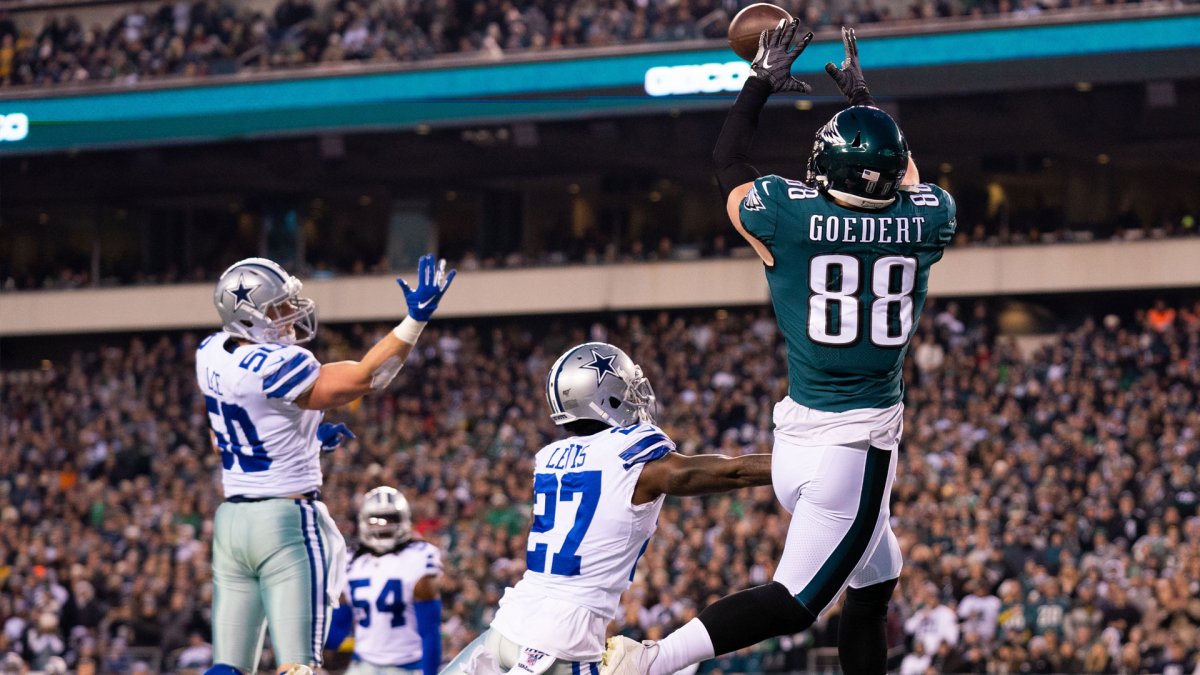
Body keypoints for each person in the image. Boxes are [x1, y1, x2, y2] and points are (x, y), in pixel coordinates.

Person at [602, 22, 955, 675]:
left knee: (877, 576)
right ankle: (651, 661)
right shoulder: (929, 217)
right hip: (855, 457)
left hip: (794, 444)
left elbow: (728, 162)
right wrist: (867, 105)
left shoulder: (785, 216)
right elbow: (902, 178)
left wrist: (759, 81)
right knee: (795, 601)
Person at [440, 342, 773, 675]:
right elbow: (728, 471)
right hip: (561, 644)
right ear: (606, 397)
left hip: (507, 626)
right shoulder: (630, 451)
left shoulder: (548, 458)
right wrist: (793, 464)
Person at [197, 254, 455, 675]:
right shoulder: (278, 365)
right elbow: (367, 377)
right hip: (284, 523)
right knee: (300, 667)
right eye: (277, 309)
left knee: (228, 667)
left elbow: (224, 438)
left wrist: (306, 439)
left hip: (232, 523)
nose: (289, 315)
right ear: (247, 317)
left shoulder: (210, 354)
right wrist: (415, 320)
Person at [325, 486, 443, 675]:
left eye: (390, 518)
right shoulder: (350, 560)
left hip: (406, 666)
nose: (383, 525)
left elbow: (430, 631)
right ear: (363, 521)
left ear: (404, 520)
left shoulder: (419, 557)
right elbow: (339, 625)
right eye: (376, 519)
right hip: (362, 664)